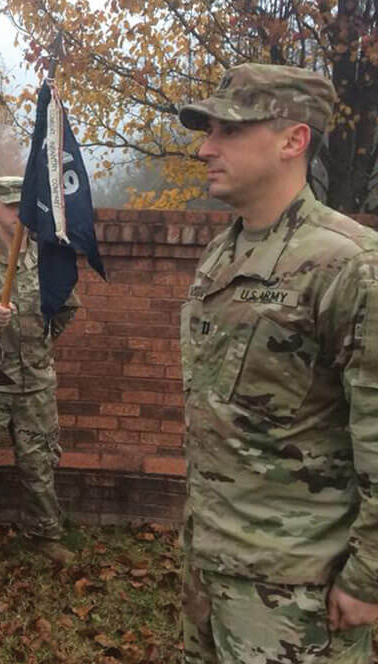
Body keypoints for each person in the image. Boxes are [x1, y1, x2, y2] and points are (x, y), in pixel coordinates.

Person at [178, 63, 378, 663]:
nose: (205, 147)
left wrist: (368, 575)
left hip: (298, 591)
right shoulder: (223, 251)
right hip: (211, 566)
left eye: (230, 131)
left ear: (294, 139)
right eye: (208, 130)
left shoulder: (349, 265)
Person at [0, 175, 80, 567]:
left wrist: (39, 346)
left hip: (35, 384)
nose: (18, 215)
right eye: (10, 206)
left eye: (23, 207)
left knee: (39, 464)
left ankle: (44, 536)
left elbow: (65, 311)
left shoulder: (48, 261)